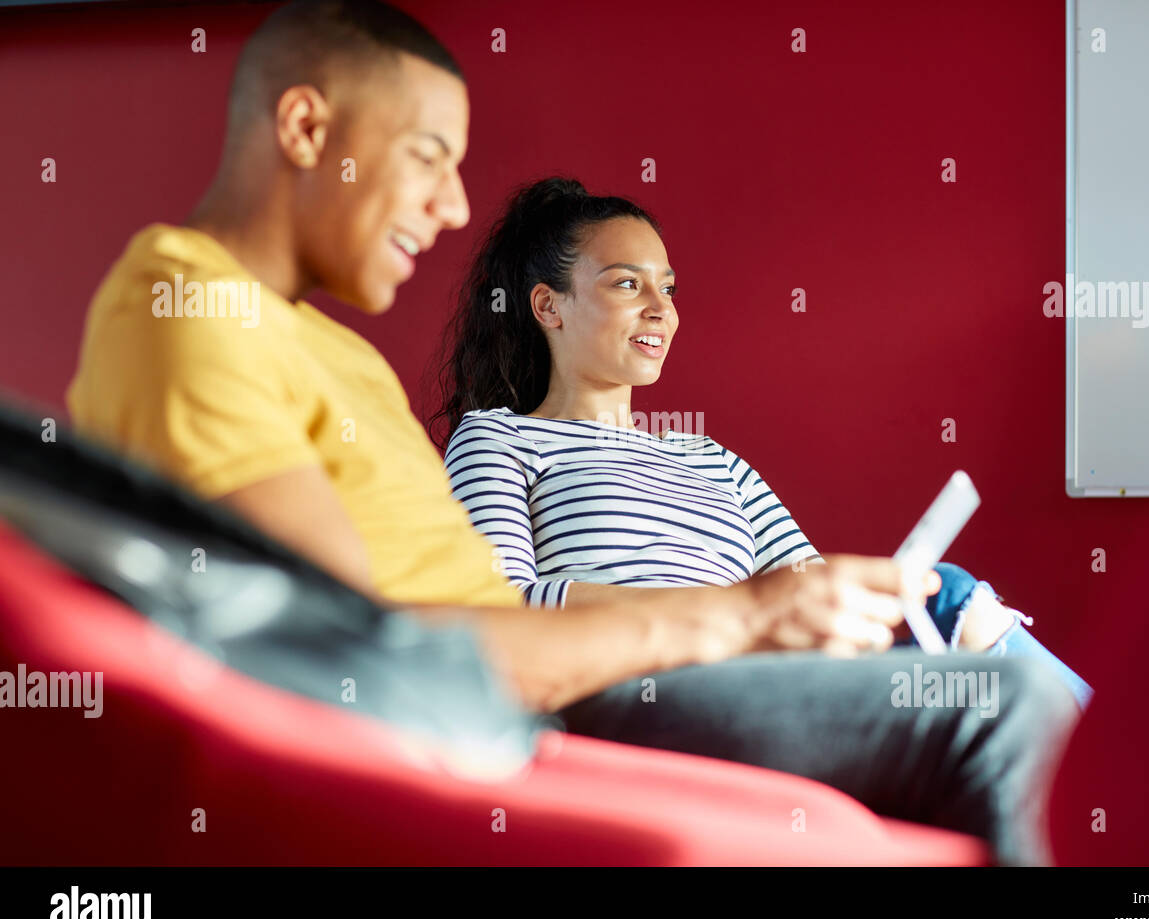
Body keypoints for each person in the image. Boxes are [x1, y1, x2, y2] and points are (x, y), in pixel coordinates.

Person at [64, 0, 1078, 864]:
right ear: (301, 126)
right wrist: (736, 616)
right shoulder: (188, 306)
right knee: (998, 712)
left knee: (992, 666)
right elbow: (370, 651)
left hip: (553, 681)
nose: (454, 205)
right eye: (428, 157)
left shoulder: (339, 357)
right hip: (535, 705)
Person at [435, 177, 1093, 710]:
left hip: (763, 675)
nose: (661, 310)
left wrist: (874, 600)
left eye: (667, 287)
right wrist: (730, 613)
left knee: (948, 600)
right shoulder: (498, 438)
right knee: (986, 684)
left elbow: (806, 590)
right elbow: (499, 609)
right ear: (549, 307)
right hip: (640, 684)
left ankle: (1133, 783)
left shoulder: (712, 460)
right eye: (627, 283)